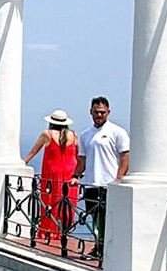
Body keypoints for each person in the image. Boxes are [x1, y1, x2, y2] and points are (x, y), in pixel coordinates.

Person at [25, 110, 82, 242]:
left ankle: (49, 231)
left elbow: (34, 151)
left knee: (50, 201)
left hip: (52, 174)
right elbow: (78, 155)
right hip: (70, 173)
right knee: (67, 203)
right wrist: (79, 172)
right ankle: (63, 232)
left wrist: (24, 161)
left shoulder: (47, 134)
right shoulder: (73, 135)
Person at [78, 97, 130, 205]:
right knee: (92, 214)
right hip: (90, 184)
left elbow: (125, 156)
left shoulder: (117, 131)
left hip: (109, 184)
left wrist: (118, 178)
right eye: (96, 112)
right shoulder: (85, 134)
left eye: (102, 112)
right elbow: (82, 159)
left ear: (108, 112)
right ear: (91, 112)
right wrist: (75, 176)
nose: (99, 115)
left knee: (109, 214)